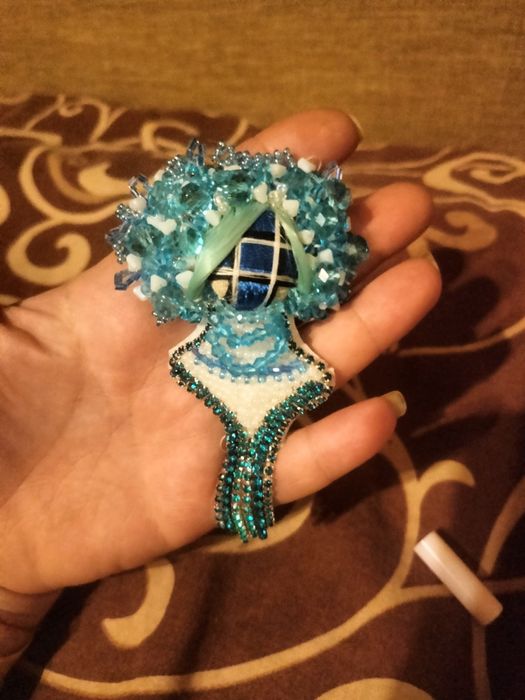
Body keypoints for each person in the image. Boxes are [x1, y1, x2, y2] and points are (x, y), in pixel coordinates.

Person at [0, 110, 441, 673]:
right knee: (247, 444)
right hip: (222, 362)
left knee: (258, 444)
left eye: (270, 260)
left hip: (273, 363)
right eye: (235, 261)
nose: (253, 276)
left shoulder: (285, 315)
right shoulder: (200, 334)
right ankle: (244, 496)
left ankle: (246, 497)